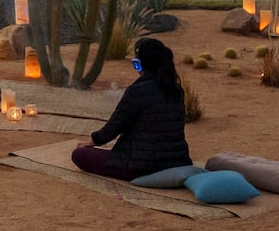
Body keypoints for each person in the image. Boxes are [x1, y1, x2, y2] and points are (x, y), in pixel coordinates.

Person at [71, 38, 191, 181]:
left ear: (139, 64)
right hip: (177, 161)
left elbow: (114, 126)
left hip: (140, 166)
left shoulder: (137, 91)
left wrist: (90, 143)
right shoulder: (176, 89)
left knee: (79, 155)